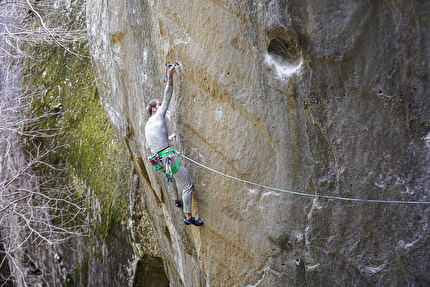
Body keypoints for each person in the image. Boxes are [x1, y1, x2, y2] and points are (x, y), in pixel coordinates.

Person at [145, 65, 203, 226]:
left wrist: (168, 138)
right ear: (154, 109)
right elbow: (167, 96)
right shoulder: (158, 116)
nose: (161, 105)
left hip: (158, 160)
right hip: (168, 158)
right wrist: (170, 76)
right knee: (188, 185)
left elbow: (154, 143)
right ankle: (188, 217)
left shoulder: (147, 126)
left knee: (169, 177)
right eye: (159, 104)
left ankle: (175, 200)